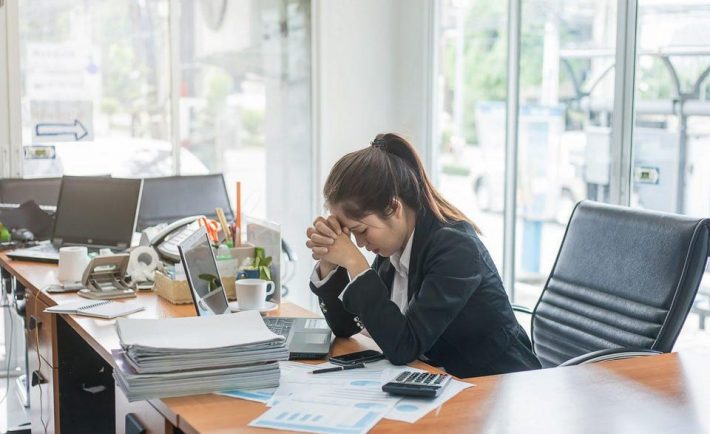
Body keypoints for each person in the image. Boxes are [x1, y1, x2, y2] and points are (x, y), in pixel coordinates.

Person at [306, 133, 541, 378]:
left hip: (499, 384)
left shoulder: (455, 248)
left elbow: (404, 346)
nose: (361, 244)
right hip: (443, 381)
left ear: (394, 208)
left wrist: (355, 263)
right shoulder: (394, 248)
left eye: (361, 231)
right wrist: (329, 260)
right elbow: (347, 327)